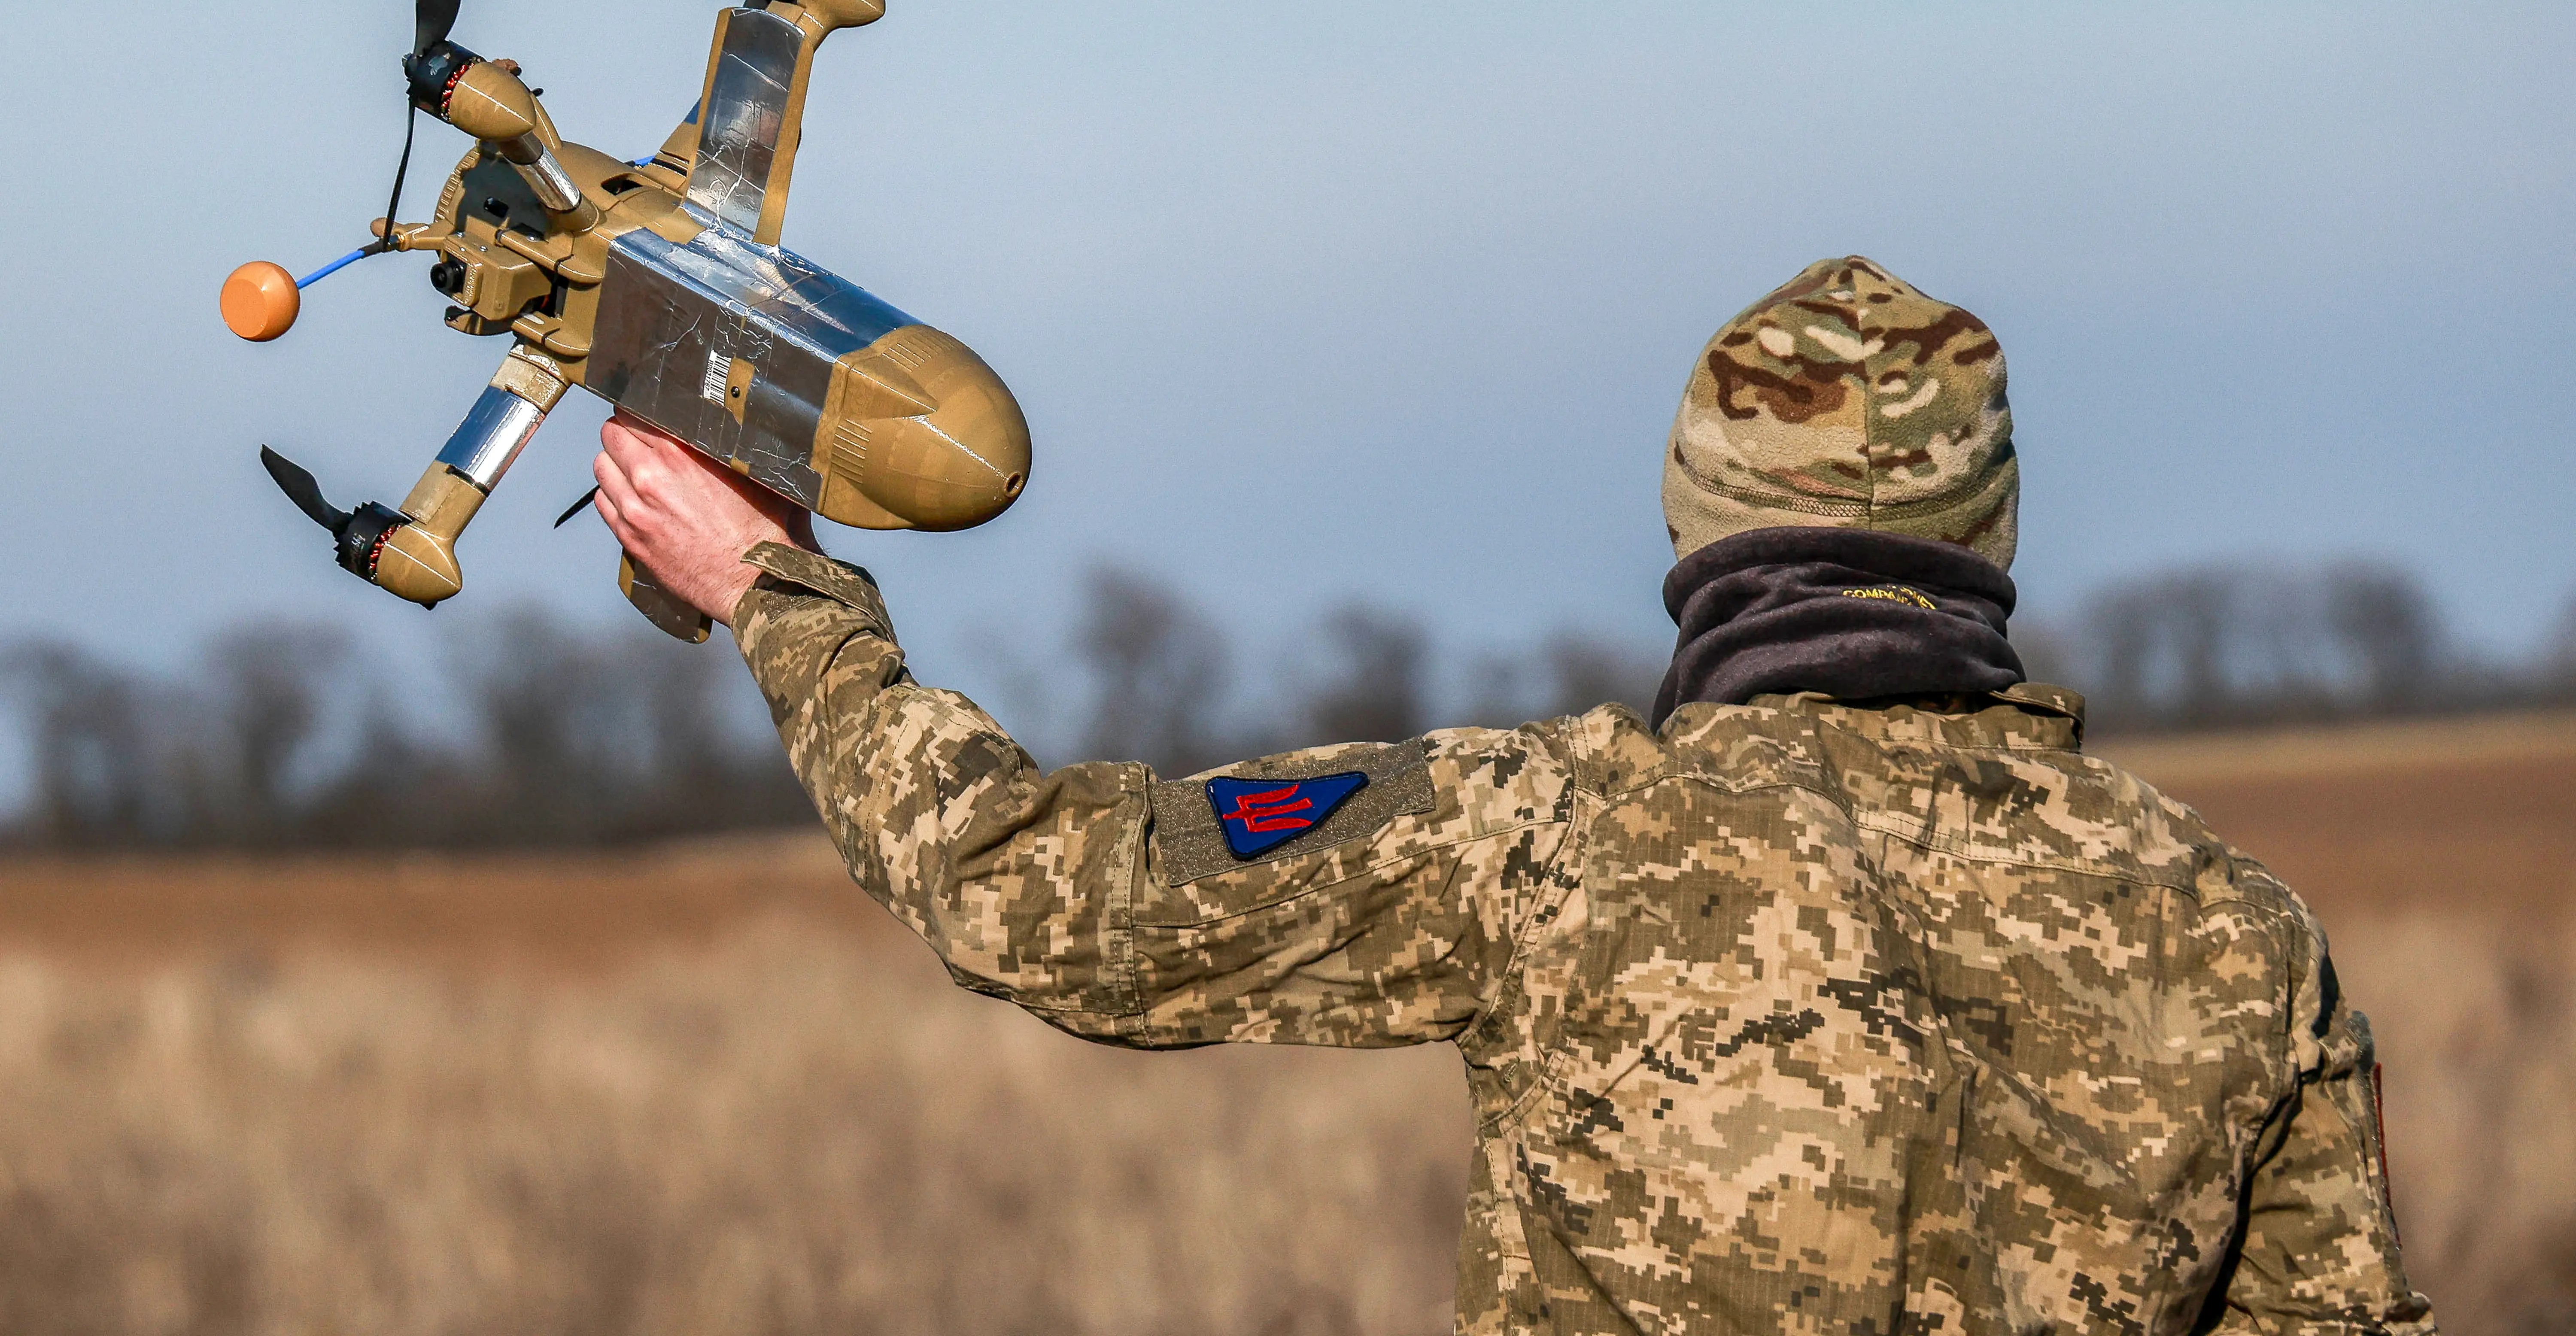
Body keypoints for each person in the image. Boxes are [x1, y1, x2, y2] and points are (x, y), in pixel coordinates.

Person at [592, 255, 2434, 1334]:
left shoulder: (1558, 835)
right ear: (1988, 534)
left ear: (1703, 524)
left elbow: (1029, 890)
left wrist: (774, 590)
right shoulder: (2240, 932)